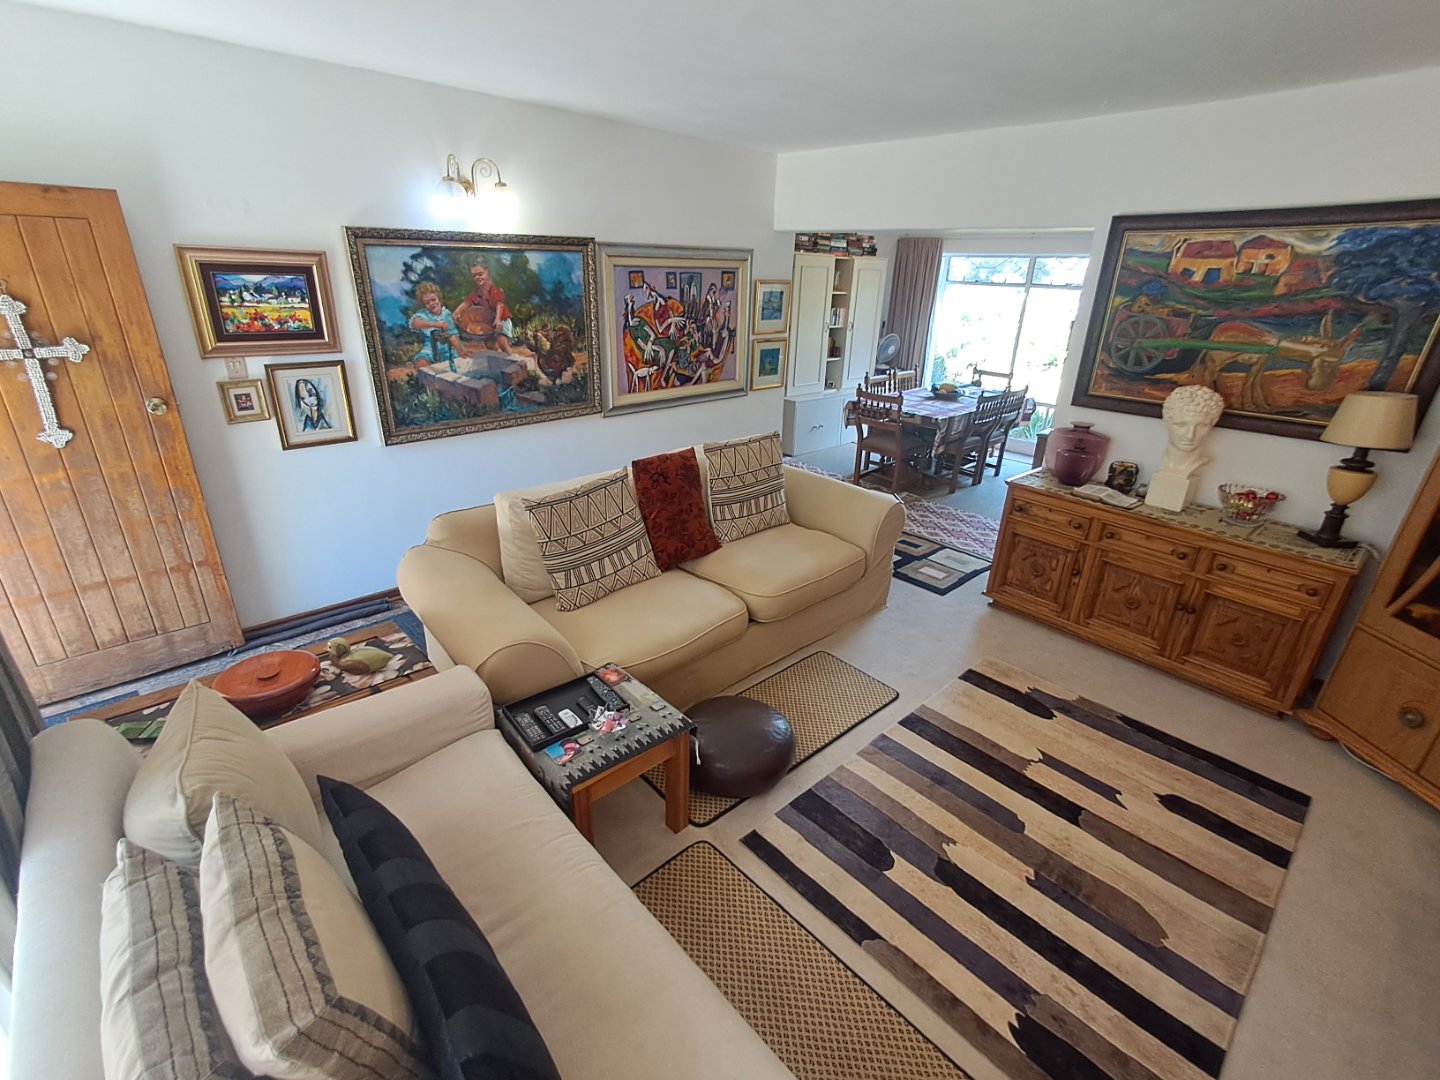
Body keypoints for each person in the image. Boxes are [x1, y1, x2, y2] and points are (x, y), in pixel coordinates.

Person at [1158, 384, 1225, 478]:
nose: (1190, 435)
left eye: (1201, 426)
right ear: (1167, 420)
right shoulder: (1163, 461)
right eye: (1181, 425)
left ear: (1213, 422)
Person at [453, 258, 513, 353]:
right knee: (489, 345)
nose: (478, 277)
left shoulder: (494, 289)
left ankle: (512, 358)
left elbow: (499, 303)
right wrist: (457, 311)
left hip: (502, 319)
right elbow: (468, 302)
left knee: (502, 342)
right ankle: (496, 359)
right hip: (489, 323)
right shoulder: (477, 292)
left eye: (480, 274)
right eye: (474, 275)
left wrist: (498, 319)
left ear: (487, 272)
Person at [407, 283, 462, 369]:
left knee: (455, 363)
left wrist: (460, 350)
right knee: (421, 362)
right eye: (427, 302)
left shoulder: (446, 314)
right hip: (430, 347)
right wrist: (435, 324)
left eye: (433, 300)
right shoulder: (423, 314)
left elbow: (454, 334)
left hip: (448, 347)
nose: (431, 303)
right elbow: (415, 323)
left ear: (439, 299)